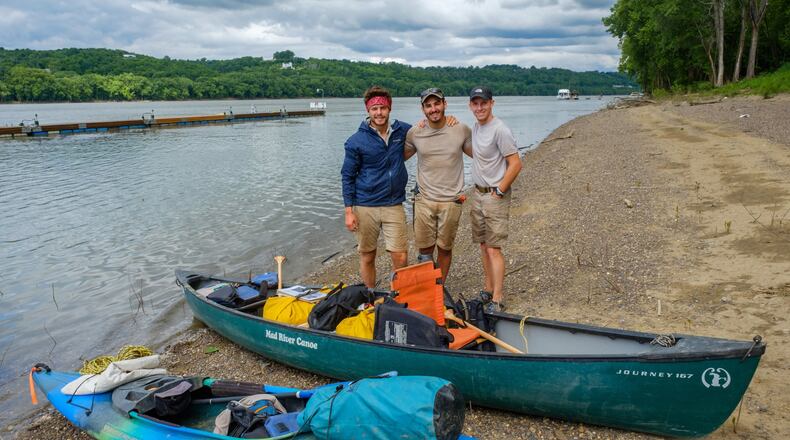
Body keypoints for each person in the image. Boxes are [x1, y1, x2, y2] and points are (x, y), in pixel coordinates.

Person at [341, 86, 410, 288]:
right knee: (368, 256)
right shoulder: (355, 141)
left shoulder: (401, 131)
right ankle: (370, 294)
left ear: (389, 108)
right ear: (368, 110)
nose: (379, 113)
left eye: (383, 108)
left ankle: (397, 296)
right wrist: (348, 211)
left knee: (401, 256)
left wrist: (450, 121)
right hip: (365, 206)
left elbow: (426, 128)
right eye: (374, 109)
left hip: (393, 204)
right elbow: (347, 176)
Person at [404, 88, 472, 282]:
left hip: (452, 200)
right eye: (428, 105)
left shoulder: (460, 129)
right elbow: (396, 157)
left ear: (445, 104)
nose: (433, 109)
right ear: (423, 109)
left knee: (445, 248)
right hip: (424, 200)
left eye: (437, 104)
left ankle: (439, 289)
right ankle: (428, 288)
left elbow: (480, 155)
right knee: (424, 251)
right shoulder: (415, 132)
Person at [467, 86, 522, 312]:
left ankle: (498, 297)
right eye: (475, 103)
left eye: (484, 103)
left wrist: (500, 189)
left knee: (493, 248)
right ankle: (488, 288)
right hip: (478, 193)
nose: (480, 107)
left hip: (494, 195)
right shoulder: (476, 128)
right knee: (482, 245)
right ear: (471, 105)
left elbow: (516, 162)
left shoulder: (500, 129)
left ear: (492, 103)